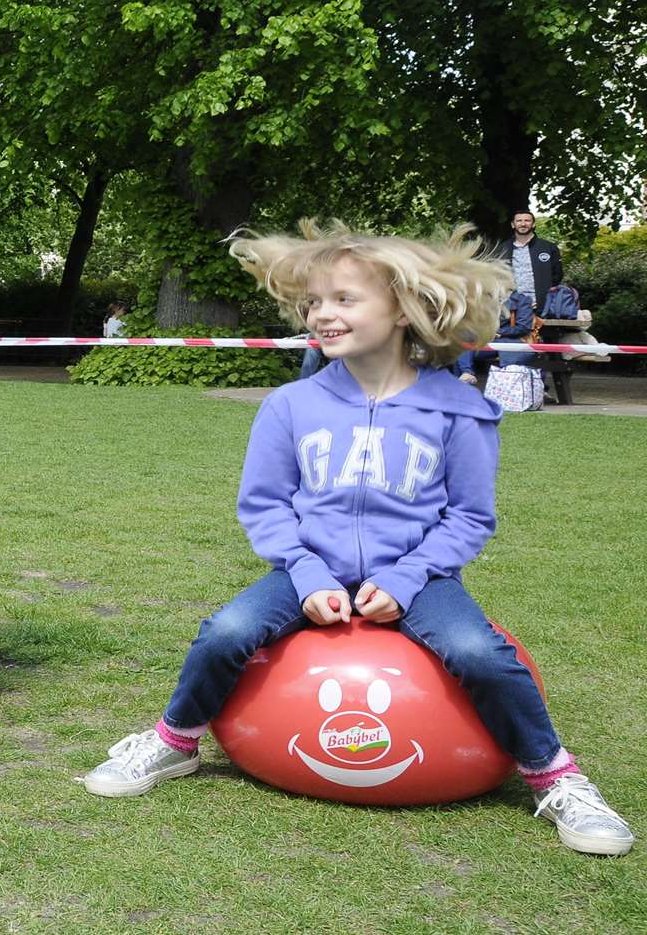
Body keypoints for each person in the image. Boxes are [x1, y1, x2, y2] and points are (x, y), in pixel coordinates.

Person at [79, 220, 633, 857]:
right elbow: (264, 506)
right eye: (314, 302)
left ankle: (554, 776)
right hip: (305, 568)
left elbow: (470, 518)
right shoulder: (288, 406)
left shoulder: (461, 410)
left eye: (345, 299)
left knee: (478, 653)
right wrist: (307, 574)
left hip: (420, 577)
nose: (322, 314)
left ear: (401, 308)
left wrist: (404, 579)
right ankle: (174, 741)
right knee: (227, 631)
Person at [497, 210, 563, 313]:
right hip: (510, 307)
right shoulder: (502, 249)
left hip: (541, 308)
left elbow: (557, 276)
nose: (523, 224)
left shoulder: (548, 247)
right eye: (519, 221)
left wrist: (542, 296)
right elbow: (496, 277)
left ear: (533, 224)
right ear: (513, 224)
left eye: (527, 220)